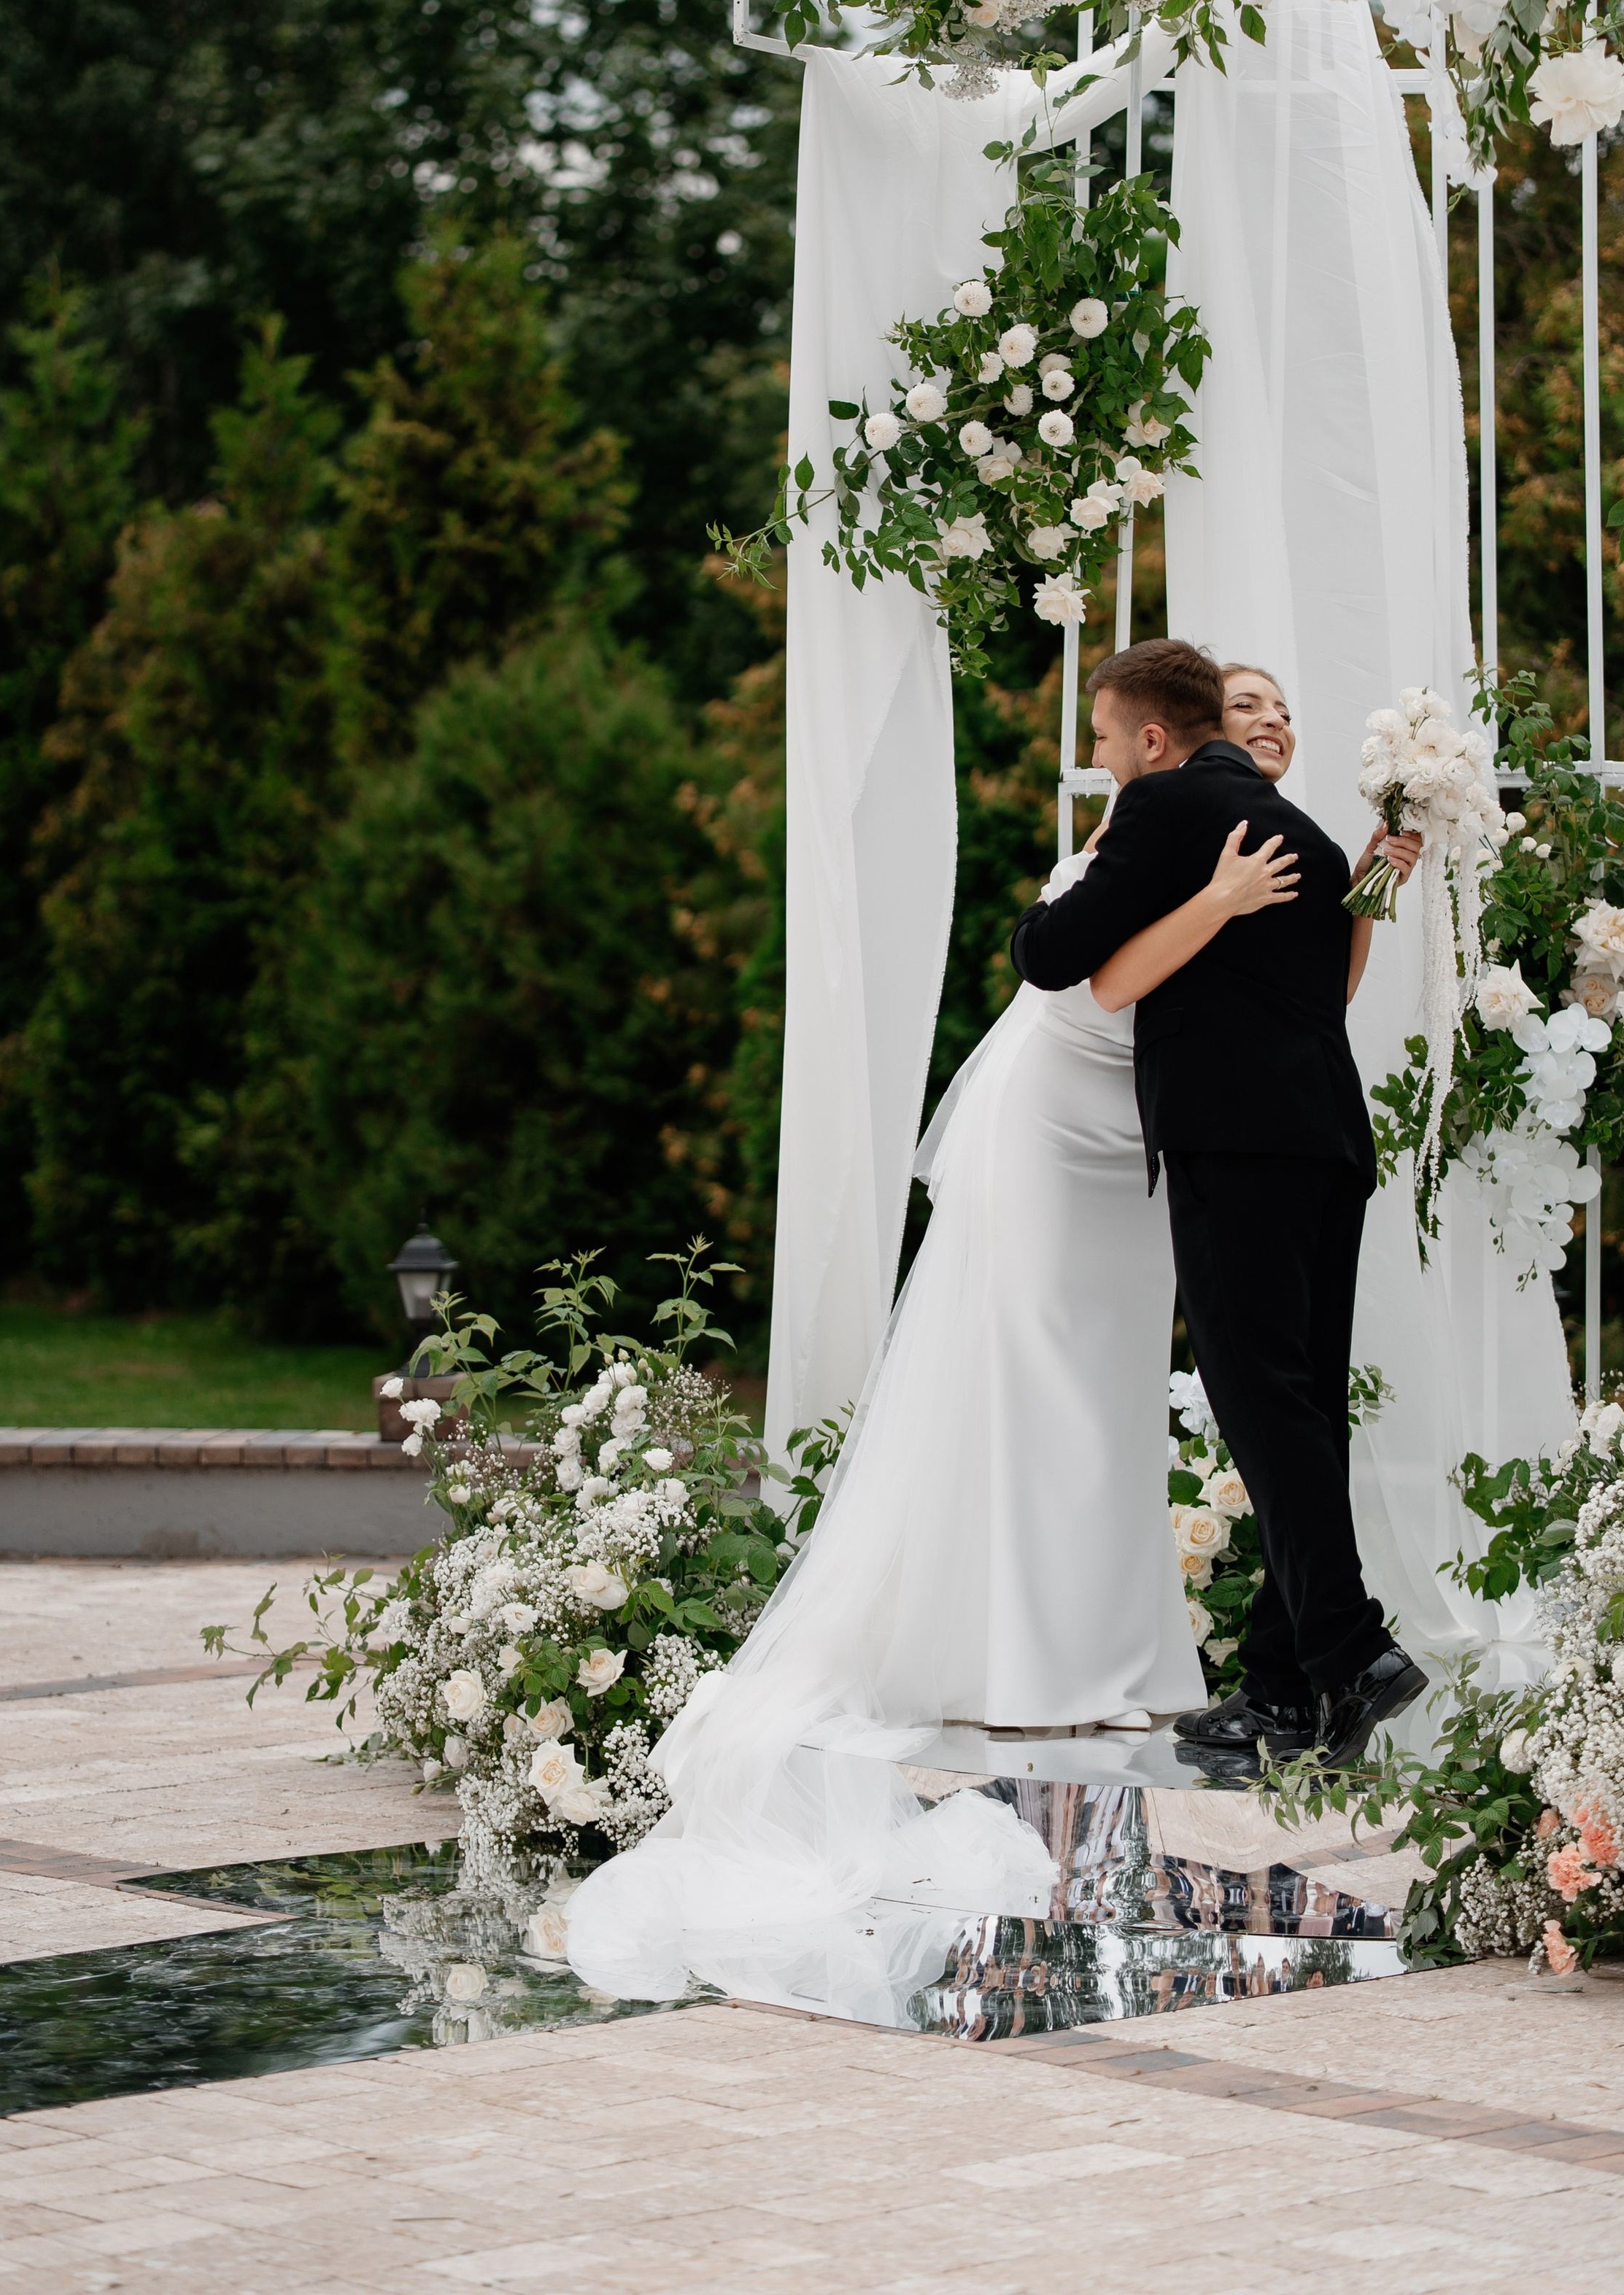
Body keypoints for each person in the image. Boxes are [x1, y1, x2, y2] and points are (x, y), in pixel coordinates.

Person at [565, 662, 1312, 2003]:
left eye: (1105, 734)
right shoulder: (1149, 823)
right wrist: (1215, 903)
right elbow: (1083, 975)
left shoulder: (1238, 828)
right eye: (1244, 710)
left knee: (1108, 1393)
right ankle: (1024, 1661)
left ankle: (1122, 1656)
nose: (1100, 754)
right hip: (1052, 1132)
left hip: (1132, 1149)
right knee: (1032, 1384)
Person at [1012, 638, 1428, 1773]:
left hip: (1237, 1146)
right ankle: (1285, 1694)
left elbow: (1050, 956)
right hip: (1328, 1142)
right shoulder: (1311, 837)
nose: (1103, 758)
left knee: (1261, 1402)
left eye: (1105, 740)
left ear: (1153, 738)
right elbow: (1323, 994)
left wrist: (1091, 878)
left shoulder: (1164, 808)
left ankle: (1352, 1650)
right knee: (1304, 1405)